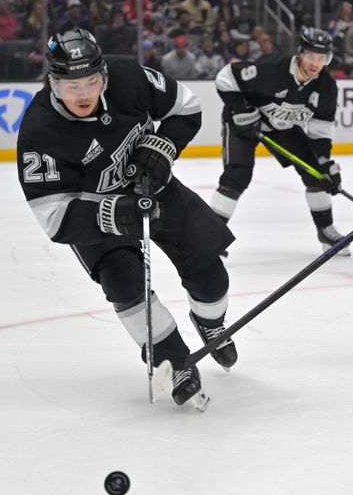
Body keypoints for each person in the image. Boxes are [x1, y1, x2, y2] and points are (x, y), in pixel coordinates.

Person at [16, 29, 237, 410]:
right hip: (93, 213)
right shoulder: (40, 132)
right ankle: (171, 358)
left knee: (210, 272)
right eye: (71, 86)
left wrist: (160, 148)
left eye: (91, 81)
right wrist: (116, 213)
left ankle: (210, 321)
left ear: (103, 74)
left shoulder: (128, 78)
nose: (83, 93)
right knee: (124, 283)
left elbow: (185, 107)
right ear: (52, 83)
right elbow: (55, 217)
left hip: (153, 186)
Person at [210, 27, 349, 255]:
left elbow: (320, 130)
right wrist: (240, 108)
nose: (315, 63)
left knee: (316, 174)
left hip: (283, 128)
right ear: (300, 53)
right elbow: (226, 76)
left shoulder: (325, 86)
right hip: (245, 122)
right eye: (311, 56)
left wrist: (323, 162)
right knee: (237, 175)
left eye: (322, 58)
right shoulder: (272, 70)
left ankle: (326, 230)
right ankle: (209, 237)